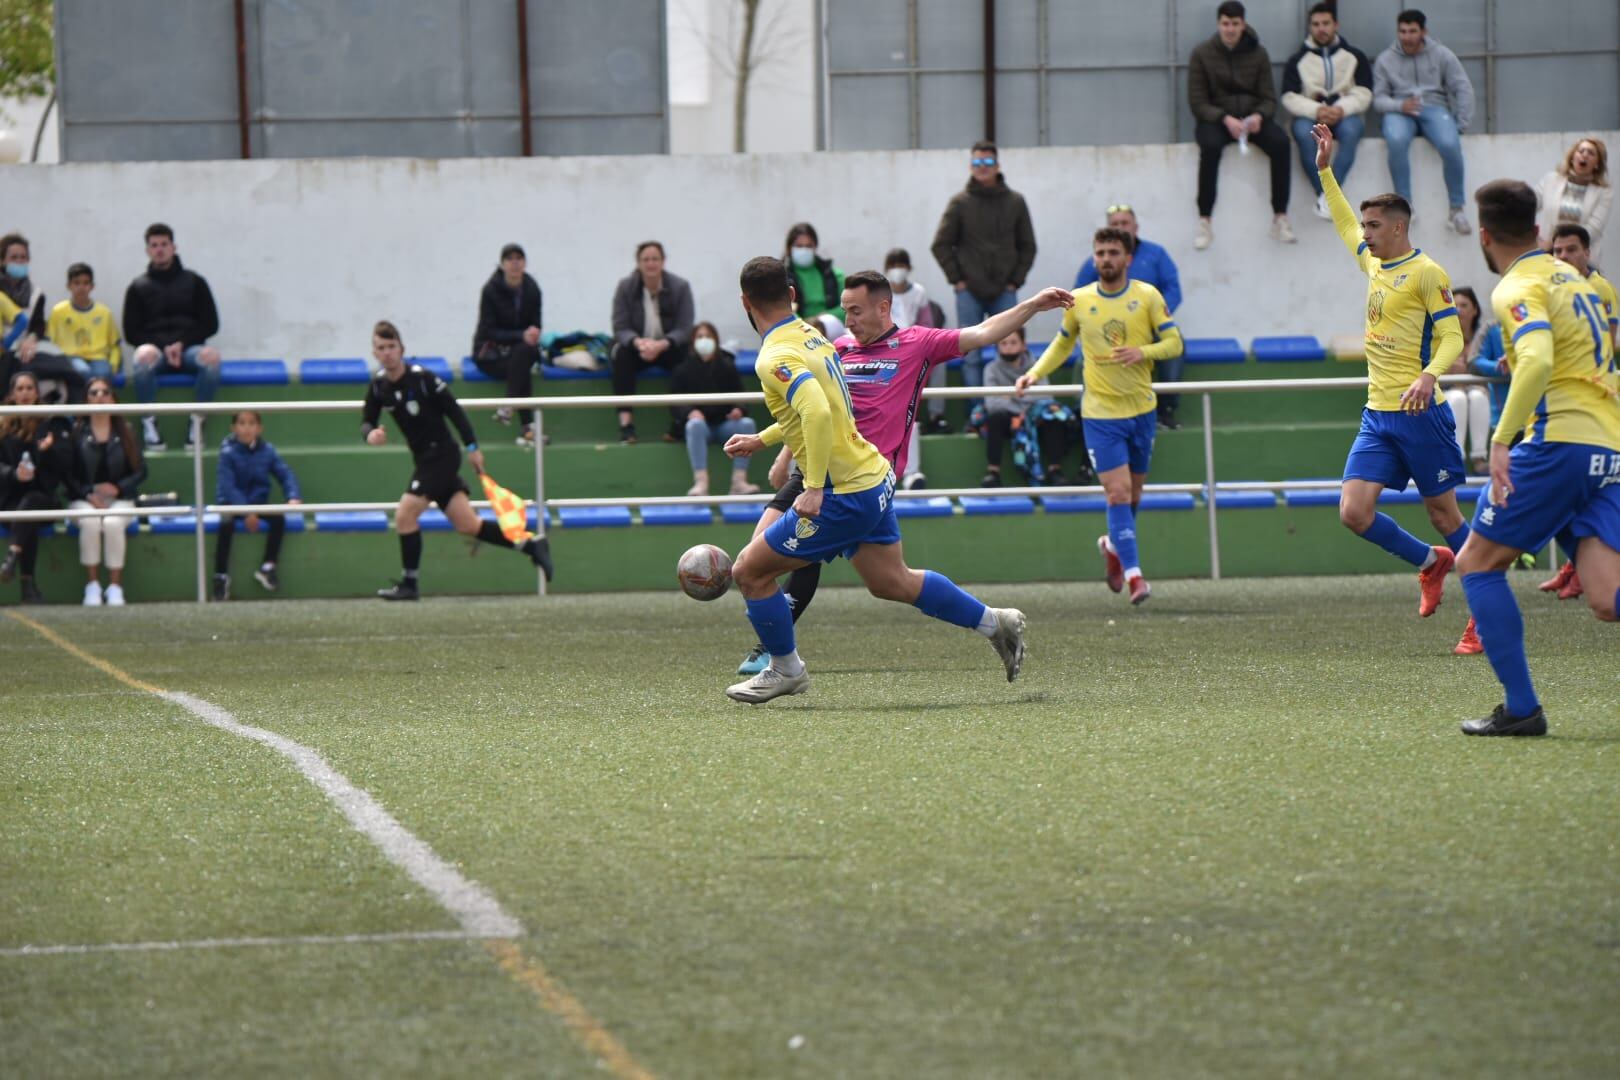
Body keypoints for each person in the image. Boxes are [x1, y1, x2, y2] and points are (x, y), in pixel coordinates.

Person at [719, 256, 1034, 703]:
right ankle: (994, 622)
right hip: (872, 475)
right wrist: (765, 438)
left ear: (744, 302)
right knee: (891, 582)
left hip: (839, 490)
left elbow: (816, 409)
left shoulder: (773, 356)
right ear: (790, 295)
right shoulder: (812, 337)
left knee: (749, 571)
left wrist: (811, 489)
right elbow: (828, 401)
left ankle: (784, 668)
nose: (850, 317)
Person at [1452, 179, 1620, 736]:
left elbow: (1540, 359)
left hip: (1559, 443)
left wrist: (1500, 439)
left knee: (1476, 563)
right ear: (1539, 230)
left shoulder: (1515, 285)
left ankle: (1522, 710)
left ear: (1483, 235)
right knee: (1605, 597)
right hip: (1607, 446)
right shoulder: (1575, 277)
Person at [1311, 124, 1479, 654]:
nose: (1364, 233)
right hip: (1378, 415)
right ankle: (1431, 562)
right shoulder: (1372, 261)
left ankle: (1484, 613)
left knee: (1444, 514)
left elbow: (1452, 334)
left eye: (1374, 225)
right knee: (1353, 513)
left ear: (1399, 227)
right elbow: (1339, 223)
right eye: (1365, 224)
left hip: (1421, 415)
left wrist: (1430, 374)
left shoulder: (1428, 272)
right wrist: (1324, 170)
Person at [1019, 228, 1185, 605]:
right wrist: (1034, 373)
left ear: (1127, 258)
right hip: (1099, 414)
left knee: (1134, 495)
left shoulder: (1147, 296)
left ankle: (1114, 545)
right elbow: (1063, 343)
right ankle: (1135, 576)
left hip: (1141, 409)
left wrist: (1143, 352)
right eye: (1100, 253)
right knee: (1118, 492)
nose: (1105, 259)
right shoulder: (1079, 300)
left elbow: (1174, 343)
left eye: (1113, 252)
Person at [361, 320, 552, 600]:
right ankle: (532, 545)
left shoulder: (422, 379)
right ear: (375, 353)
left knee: (405, 515)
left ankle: (409, 584)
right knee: (469, 525)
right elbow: (367, 420)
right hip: (423, 459)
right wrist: (371, 435)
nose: (387, 352)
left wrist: (473, 447)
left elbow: (455, 412)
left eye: (392, 346)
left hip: (442, 456)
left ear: (402, 348)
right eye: (381, 348)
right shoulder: (379, 386)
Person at [1530, 223, 1620, 603]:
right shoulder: (1555, 287)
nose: (1563, 257)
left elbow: (1610, 342)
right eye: (1558, 251)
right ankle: (1579, 565)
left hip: (1592, 405)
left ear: (1587, 252)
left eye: (1571, 250)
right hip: (1564, 409)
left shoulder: (1599, 288)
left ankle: (1582, 566)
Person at [1187, 1, 1296, 251]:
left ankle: (1280, 217)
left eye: (1235, 24)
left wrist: (1258, 116)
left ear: (1243, 24)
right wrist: (1224, 118)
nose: (1230, 29)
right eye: (1225, 23)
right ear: (1218, 24)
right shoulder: (1202, 53)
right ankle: (1205, 220)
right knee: (1210, 147)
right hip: (1217, 119)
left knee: (1280, 143)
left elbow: (1269, 98)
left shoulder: (1258, 53)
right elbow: (1197, 102)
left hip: (1251, 118)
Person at [931, 140, 1037, 391]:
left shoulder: (1015, 202)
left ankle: (1015, 408)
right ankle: (976, 416)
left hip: (1005, 291)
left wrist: (1015, 282)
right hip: (969, 293)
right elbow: (941, 244)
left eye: (988, 162)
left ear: (997, 165)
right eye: (977, 162)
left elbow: (1028, 245)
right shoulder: (960, 203)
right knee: (970, 355)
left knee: (1012, 349)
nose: (983, 167)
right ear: (971, 166)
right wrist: (957, 281)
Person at [1074, 204, 1186, 428]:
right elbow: (1077, 297)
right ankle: (1083, 412)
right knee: (1081, 358)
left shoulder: (1156, 254)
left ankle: (1166, 410)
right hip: (1107, 333)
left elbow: (1173, 290)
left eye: (1125, 223)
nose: (1121, 228)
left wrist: (1154, 320)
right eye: (1115, 224)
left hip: (1150, 329)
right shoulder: (1097, 260)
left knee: (1175, 346)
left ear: (1136, 227)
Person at [1372, 9, 1475, 235]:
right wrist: (1400, 106)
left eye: (1412, 31)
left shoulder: (1442, 54)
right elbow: (1378, 99)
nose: (1407, 36)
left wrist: (1461, 123)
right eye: (1402, 31)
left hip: (1434, 106)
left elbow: (1462, 87)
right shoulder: (1385, 59)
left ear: (1423, 31)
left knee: (1450, 143)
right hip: (1399, 109)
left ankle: (1456, 210)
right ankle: (1404, 205)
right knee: (1396, 139)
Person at [123, 223, 221, 449]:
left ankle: (197, 421)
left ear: (173, 247)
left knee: (212, 358)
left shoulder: (195, 282)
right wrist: (164, 347)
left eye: (164, 244)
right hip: (156, 352)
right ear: (147, 250)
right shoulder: (138, 287)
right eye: (154, 245)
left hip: (189, 351)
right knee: (142, 356)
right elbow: (132, 332)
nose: (159, 249)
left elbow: (211, 324)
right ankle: (149, 423)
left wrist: (181, 344)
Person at [1280, 2, 1374, 221]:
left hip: (1345, 116)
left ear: (1336, 25)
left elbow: (1364, 92)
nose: (1321, 28)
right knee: (1303, 134)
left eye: (1326, 23)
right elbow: (1289, 96)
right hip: (1311, 117)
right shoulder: (1297, 60)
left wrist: (1341, 109)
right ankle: (1329, 197)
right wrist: (1318, 110)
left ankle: (1327, 198)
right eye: (1316, 24)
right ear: (1310, 27)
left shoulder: (1354, 56)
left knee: (1352, 131)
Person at [66, 376, 145, 606]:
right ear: (86, 400)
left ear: (113, 398)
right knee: (91, 522)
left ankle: (115, 587)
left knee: (111, 523)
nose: (100, 396)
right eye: (94, 393)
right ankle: (92, 586)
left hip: (120, 499)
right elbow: (68, 475)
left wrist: (118, 488)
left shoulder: (127, 431)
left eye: (105, 392)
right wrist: (89, 493)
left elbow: (141, 470)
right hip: (83, 499)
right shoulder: (76, 432)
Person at [213, 409, 303, 601]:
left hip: (258, 501)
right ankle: (220, 576)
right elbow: (228, 487)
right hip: (232, 504)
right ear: (233, 427)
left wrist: (293, 495)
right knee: (226, 524)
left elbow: (285, 474)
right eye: (242, 423)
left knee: (278, 519)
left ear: (259, 428)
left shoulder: (267, 451)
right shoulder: (227, 453)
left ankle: (268, 567)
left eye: (251, 423)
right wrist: (247, 512)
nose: (246, 428)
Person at [610, 241, 694, 443]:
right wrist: (638, 343)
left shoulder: (680, 287)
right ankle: (626, 425)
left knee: (685, 358)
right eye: (645, 259)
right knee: (620, 355)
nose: (651, 264)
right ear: (638, 263)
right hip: (638, 347)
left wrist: (663, 344)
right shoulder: (625, 287)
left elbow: (685, 327)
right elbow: (620, 326)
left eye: (655, 258)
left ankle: (679, 422)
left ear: (663, 261)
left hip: (668, 347)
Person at [0, 371, 73, 603]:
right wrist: (13, 474)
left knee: (31, 505)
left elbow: (65, 467)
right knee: (25, 515)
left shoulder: (49, 422)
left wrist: (48, 451)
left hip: (44, 497)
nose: (24, 393)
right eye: (19, 389)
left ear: (37, 392)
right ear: (12, 393)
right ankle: (28, 587)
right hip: (9, 499)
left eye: (29, 388)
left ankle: (12, 558)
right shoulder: (2, 423)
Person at [981, 329, 1082, 489]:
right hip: (1008, 418)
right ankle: (993, 472)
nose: (1008, 347)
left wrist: (1011, 397)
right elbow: (992, 404)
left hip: (1034, 415)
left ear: (1023, 345)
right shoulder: (991, 369)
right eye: (1003, 343)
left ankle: (1055, 470)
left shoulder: (1036, 366)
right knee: (995, 418)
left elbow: (1046, 396)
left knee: (1053, 416)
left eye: (1013, 342)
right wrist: (1023, 400)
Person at [673, 321, 759, 497]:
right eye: (700, 337)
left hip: (724, 426)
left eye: (708, 337)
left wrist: (738, 410)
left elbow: (741, 397)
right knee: (694, 426)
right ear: (693, 341)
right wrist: (690, 412)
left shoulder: (727, 366)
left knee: (747, 424)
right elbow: (675, 402)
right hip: (700, 428)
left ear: (716, 340)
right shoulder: (683, 369)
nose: (704, 341)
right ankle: (701, 483)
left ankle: (739, 482)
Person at [471, 242, 544, 448]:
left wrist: (532, 333)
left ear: (525, 263)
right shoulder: (490, 290)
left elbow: (536, 323)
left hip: (519, 352)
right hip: (491, 354)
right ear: (502, 264)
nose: (514, 264)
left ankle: (509, 408)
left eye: (518, 259)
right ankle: (527, 426)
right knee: (522, 362)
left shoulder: (532, 289)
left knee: (524, 354)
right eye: (509, 259)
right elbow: (488, 331)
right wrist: (521, 335)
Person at [886, 246, 951, 450]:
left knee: (939, 363)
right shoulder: (880, 293)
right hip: (887, 348)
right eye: (893, 266)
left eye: (902, 266)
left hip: (914, 345)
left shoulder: (918, 292)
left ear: (909, 268)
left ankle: (935, 416)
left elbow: (927, 325)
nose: (898, 270)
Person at [1444, 286, 1494, 474]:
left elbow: (1490, 369)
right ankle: (1457, 458)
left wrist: (1463, 371)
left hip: (1479, 391)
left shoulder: (1485, 336)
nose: (1458, 310)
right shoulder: (1441, 336)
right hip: (1446, 392)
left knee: (1477, 396)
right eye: (1454, 305)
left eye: (1464, 305)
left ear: (1475, 310)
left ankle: (1479, 457)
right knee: (1458, 397)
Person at [1537, 139, 1611, 265]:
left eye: (1591, 153)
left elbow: (1593, 229)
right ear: (1572, 158)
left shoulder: (1604, 192)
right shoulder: (1551, 180)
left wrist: (1559, 244)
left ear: (1597, 164)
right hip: (1547, 256)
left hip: (1580, 260)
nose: (1585, 155)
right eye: (1581, 151)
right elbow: (1529, 205)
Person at [47, 264, 122, 386]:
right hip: (70, 357)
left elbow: (115, 344)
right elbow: (50, 342)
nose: (81, 287)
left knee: (103, 373)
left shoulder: (104, 312)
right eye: (76, 283)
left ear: (92, 286)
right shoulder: (58, 312)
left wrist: (113, 364)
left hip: (98, 357)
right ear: (68, 286)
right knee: (82, 371)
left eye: (86, 283)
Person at [784, 223, 846, 323]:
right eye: (799, 246)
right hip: (798, 331)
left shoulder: (834, 275)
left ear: (815, 248)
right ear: (789, 248)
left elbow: (846, 308)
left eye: (808, 246)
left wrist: (822, 319)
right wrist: (805, 324)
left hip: (830, 329)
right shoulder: (782, 278)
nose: (804, 250)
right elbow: (782, 310)